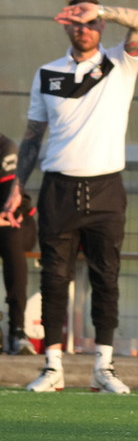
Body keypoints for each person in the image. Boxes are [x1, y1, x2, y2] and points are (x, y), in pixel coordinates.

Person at [1, 0, 138, 393]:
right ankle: (52, 367)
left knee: (106, 277)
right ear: (66, 26)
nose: (83, 29)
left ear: (100, 26)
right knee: (54, 277)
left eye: (89, 22)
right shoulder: (48, 73)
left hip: (106, 188)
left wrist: (101, 11)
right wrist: (17, 187)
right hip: (58, 189)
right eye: (76, 22)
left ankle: (104, 366)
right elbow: (33, 135)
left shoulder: (120, 62)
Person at [0, 133, 37, 354]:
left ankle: (17, 329)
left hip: (18, 223)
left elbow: (11, 206)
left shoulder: (5, 146)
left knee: (10, 235)